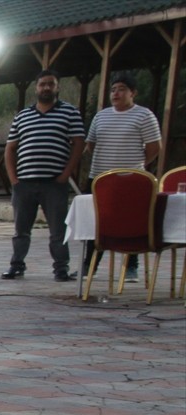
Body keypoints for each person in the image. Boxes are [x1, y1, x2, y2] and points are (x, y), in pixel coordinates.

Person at [2, 70, 85, 282]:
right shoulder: (23, 116)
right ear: (36, 88)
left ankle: (61, 269)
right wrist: (14, 179)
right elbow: (10, 148)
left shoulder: (70, 113)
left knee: (58, 230)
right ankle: (16, 265)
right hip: (25, 182)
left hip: (54, 182)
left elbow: (78, 144)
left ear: (57, 87)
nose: (46, 88)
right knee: (21, 230)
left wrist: (66, 174)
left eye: (51, 84)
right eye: (42, 84)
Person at [83, 73, 162, 283]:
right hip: (99, 178)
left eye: (121, 89)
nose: (116, 93)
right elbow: (90, 144)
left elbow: (154, 147)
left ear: (132, 93)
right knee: (96, 222)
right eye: (113, 89)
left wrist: (135, 165)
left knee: (130, 220)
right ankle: (88, 265)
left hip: (130, 180)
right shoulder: (101, 116)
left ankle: (131, 266)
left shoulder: (144, 115)